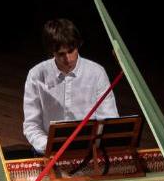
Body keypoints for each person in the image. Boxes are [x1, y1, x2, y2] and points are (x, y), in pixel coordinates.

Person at [21, 18, 118, 156]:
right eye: (61, 54)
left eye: (71, 51)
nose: (68, 59)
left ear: (78, 45)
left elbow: (109, 119)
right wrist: (49, 146)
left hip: (88, 152)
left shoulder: (97, 73)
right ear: (51, 52)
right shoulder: (36, 75)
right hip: (49, 152)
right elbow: (32, 125)